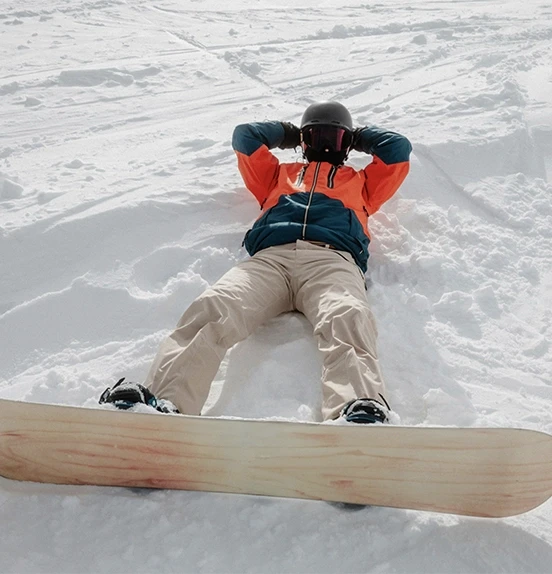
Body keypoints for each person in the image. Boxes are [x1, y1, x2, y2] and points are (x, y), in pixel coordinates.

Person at [99, 101, 412, 424]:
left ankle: (358, 407)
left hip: (331, 259)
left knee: (347, 314)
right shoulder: (277, 175)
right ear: (304, 143)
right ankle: (164, 400)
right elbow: (245, 137)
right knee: (217, 306)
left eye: (333, 140)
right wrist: (289, 134)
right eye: (315, 137)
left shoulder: (362, 183)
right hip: (270, 261)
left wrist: (358, 136)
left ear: (345, 146)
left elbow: (397, 149)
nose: (324, 146)